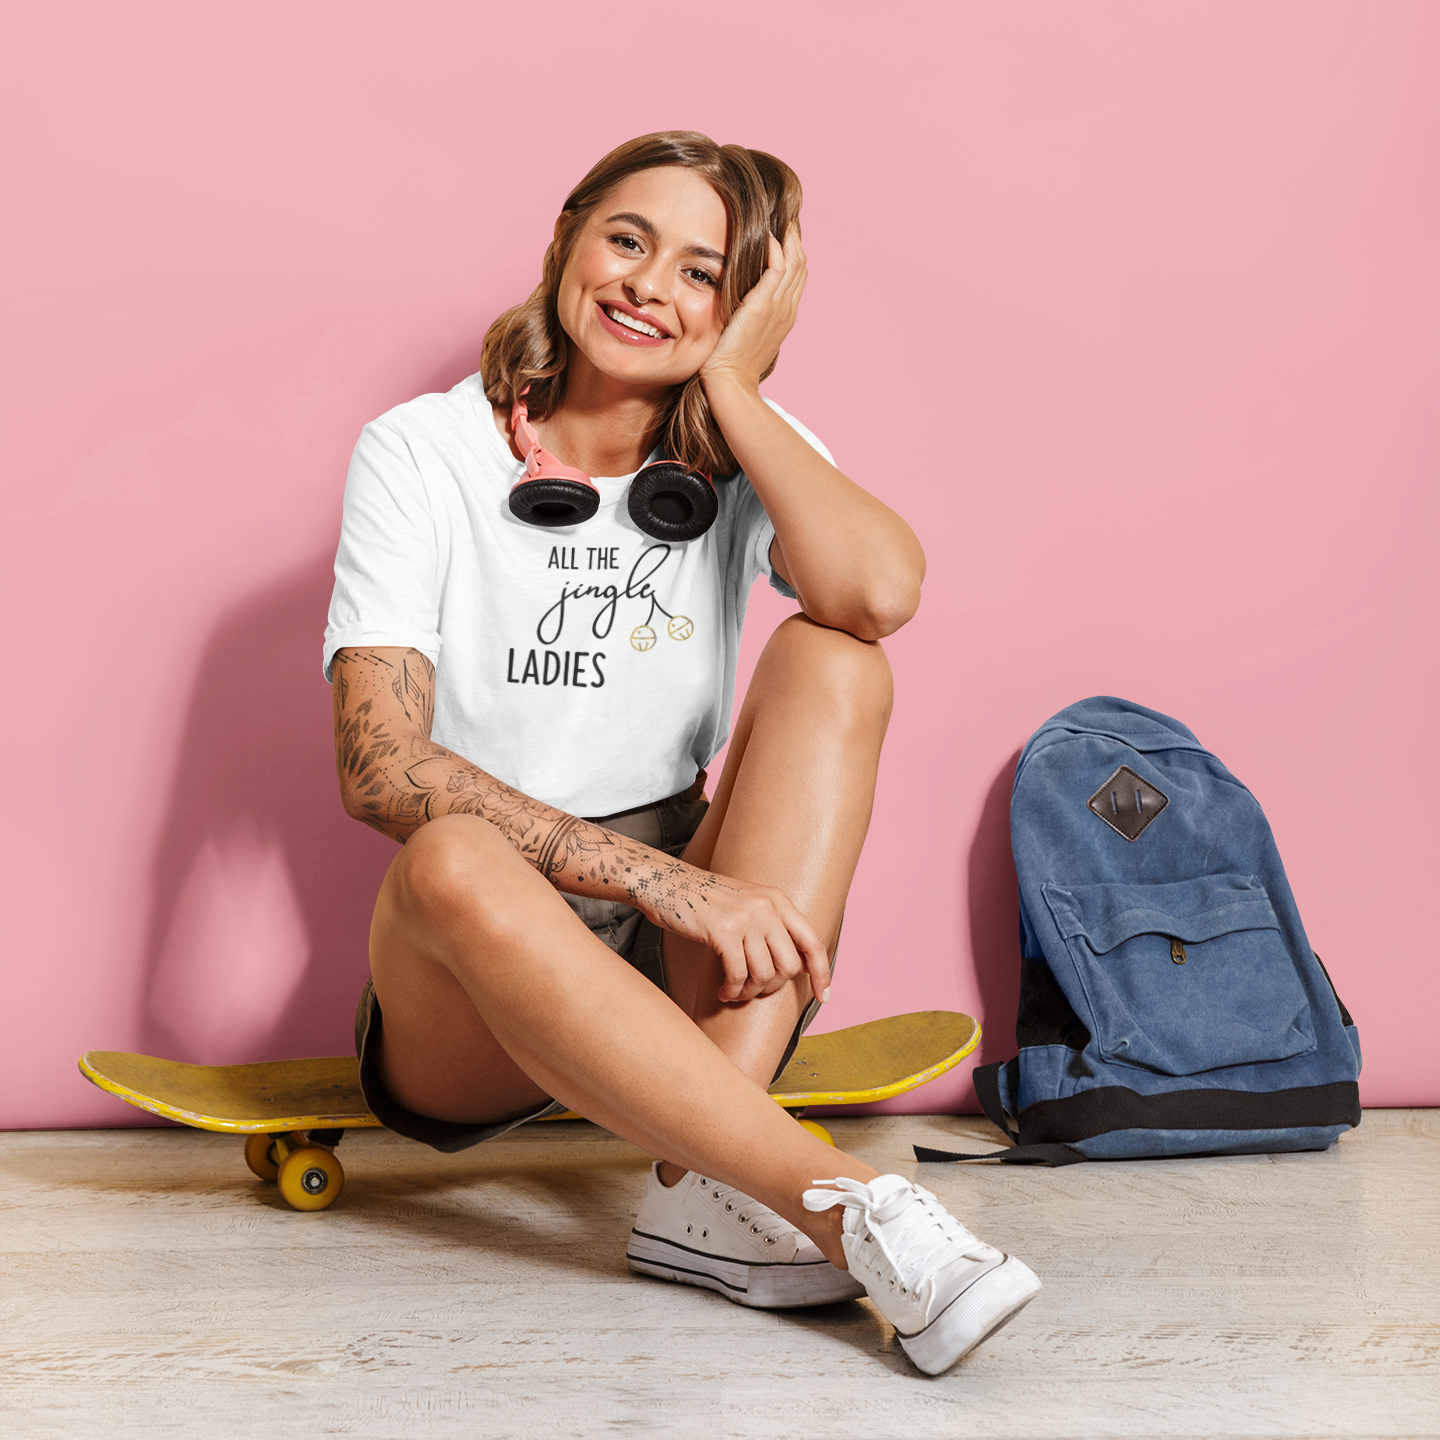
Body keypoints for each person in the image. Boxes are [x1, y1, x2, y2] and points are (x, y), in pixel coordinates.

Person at [323, 131, 1039, 1374]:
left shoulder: (735, 447)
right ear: (567, 243)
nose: (651, 287)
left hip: (687, 964)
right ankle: (834, 1201)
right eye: (628, 241)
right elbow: (379, 764)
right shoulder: (420, 451)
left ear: (744, 310)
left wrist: (743, 396)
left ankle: (693, 1188)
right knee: (448, 855)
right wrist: (659, 880)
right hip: (475, 976)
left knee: (836, 659)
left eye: (703, 275)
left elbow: (878, 592)